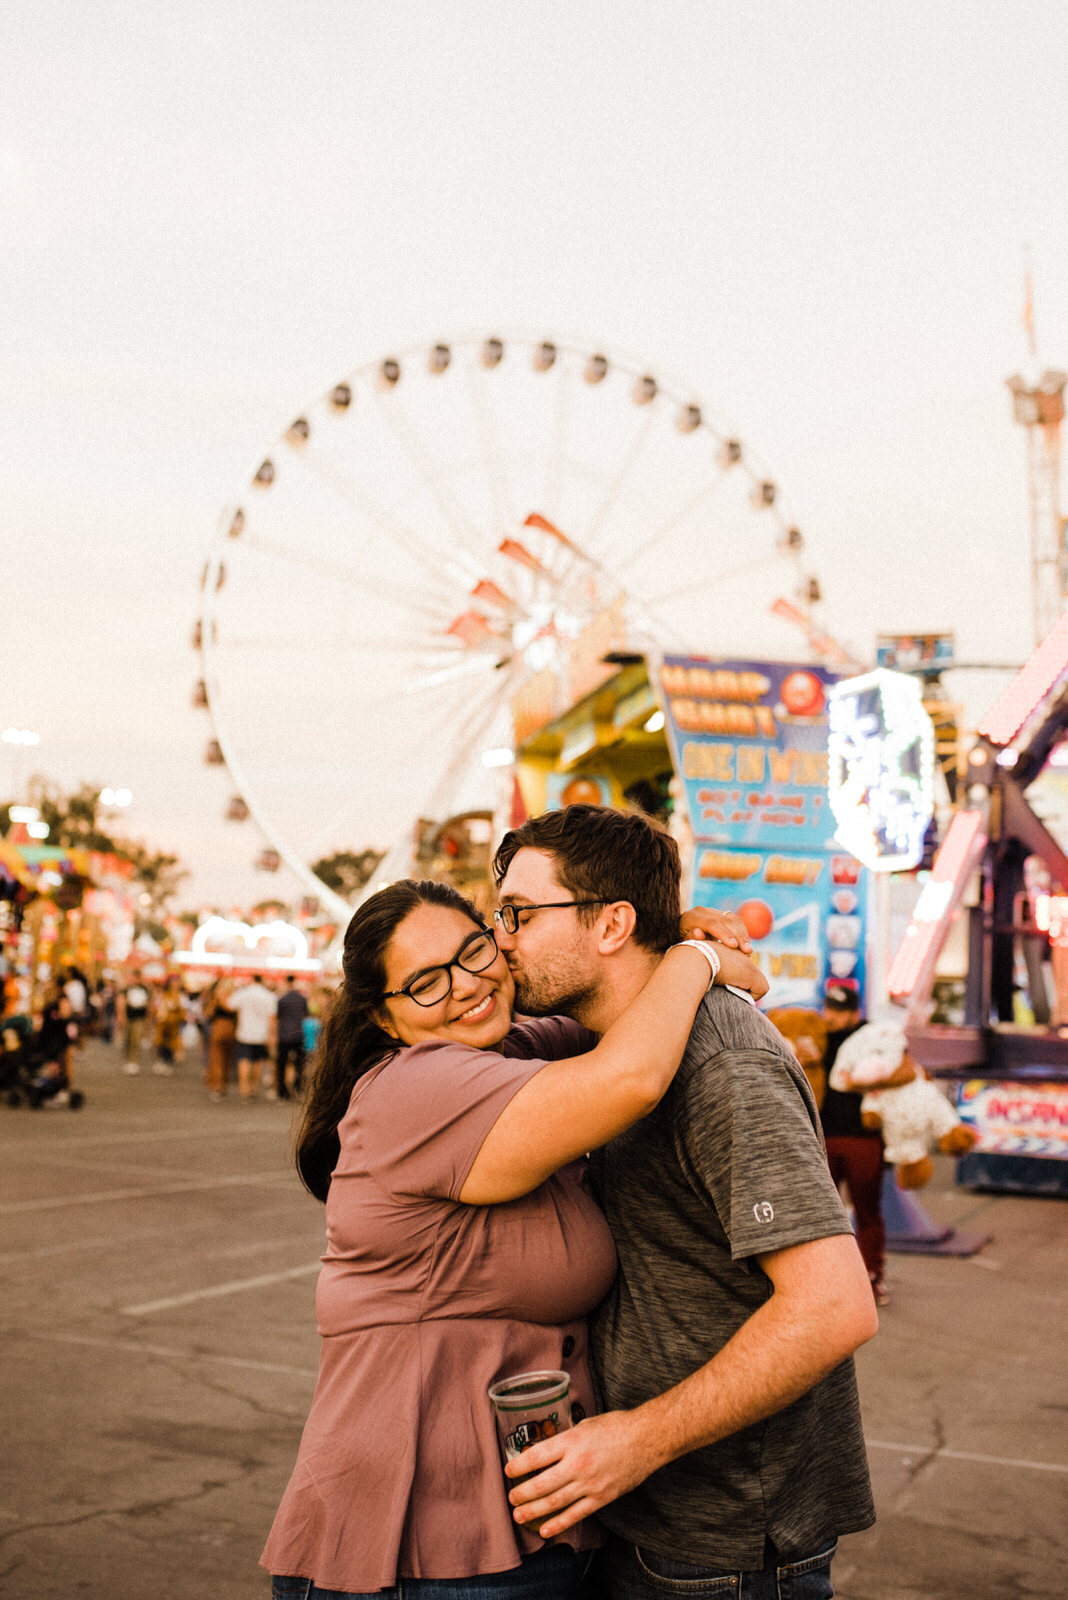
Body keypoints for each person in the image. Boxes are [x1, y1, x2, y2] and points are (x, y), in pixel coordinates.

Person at [262, 876, 765, 1599]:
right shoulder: (416, 1088)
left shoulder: (504, 1054)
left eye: (472, 952)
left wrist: (651, 936)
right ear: (386, 1018)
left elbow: (616, 1005)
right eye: (427, 984)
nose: (466, 985)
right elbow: (631, 1076)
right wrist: (693, 958)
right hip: (415, 1546)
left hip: (523, 1529)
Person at [491, 806, 878, 1599]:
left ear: (612, 926)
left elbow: (835, 1307)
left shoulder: (721, 1064)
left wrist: (637, 1440)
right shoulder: (612, 1045)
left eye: (520, 914)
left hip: (721, 1545)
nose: (502, 937)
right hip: (647, 1521)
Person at [818, 984, 890, 1306]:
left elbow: (902, 1068)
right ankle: (821, 1280)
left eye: (839, 1011)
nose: (832, 1016)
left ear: (855, 1013)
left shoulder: (872, 1038)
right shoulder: (817, 1039)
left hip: (864, 1138)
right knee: (819, 1214)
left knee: (867, 1211)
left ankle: (871, 1277)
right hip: (824, 1138)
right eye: (829, 1008)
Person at [229, 972, 278, 1100]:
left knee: (243, 1060)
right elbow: (272, 1017)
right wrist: (272, 1035)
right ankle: (253, 1088)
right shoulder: (269, 995)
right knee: (258, 1061)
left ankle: (244, 1089)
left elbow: (230, 1005)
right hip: (261, 1033)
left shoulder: (243, 993)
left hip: (244, 1032)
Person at [274, 975, 309, 1099]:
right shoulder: (302, 999)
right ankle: (298, 1087)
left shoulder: (282, 999)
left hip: (284, 1035)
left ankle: (282, 1091)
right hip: (298, 1034)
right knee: (299, 1064)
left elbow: (277, 1016)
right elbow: (306, 1014)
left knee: (282, 1064)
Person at [203, 978, 238, 1102]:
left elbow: (208, 1013)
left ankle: (217, 1087)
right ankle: (223, 1085)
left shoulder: (218, 997)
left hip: (219, 1028)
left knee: (216, 1058)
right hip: (232, 1029)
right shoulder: (235, 997)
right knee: (228, 1060)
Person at [117, 975, 151, 1074]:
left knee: (136, 1038)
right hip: (128, 1017)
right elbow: (120, 1001)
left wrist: (148, 1017)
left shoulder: (144, 989)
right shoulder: (126, 989)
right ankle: (129, 1059)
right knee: (128, 1038)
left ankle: (133, 1061)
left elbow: (148, 1003)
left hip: (139, 1017)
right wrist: (121, 1015)